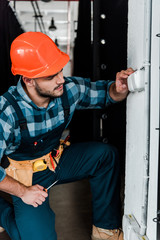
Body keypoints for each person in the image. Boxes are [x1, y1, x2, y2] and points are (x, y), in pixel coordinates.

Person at [0, 31, 133, 240]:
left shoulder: (68, 89)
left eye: (60, 70)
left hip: (57, 161)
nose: (61, 79)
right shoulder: (6, 111)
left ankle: (105, 230)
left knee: (105, 155)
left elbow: (105, 93)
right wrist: (23, 192)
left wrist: (118, 89)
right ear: (28, 80)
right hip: (26, 177)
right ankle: (2, 213)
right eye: (51, 75)